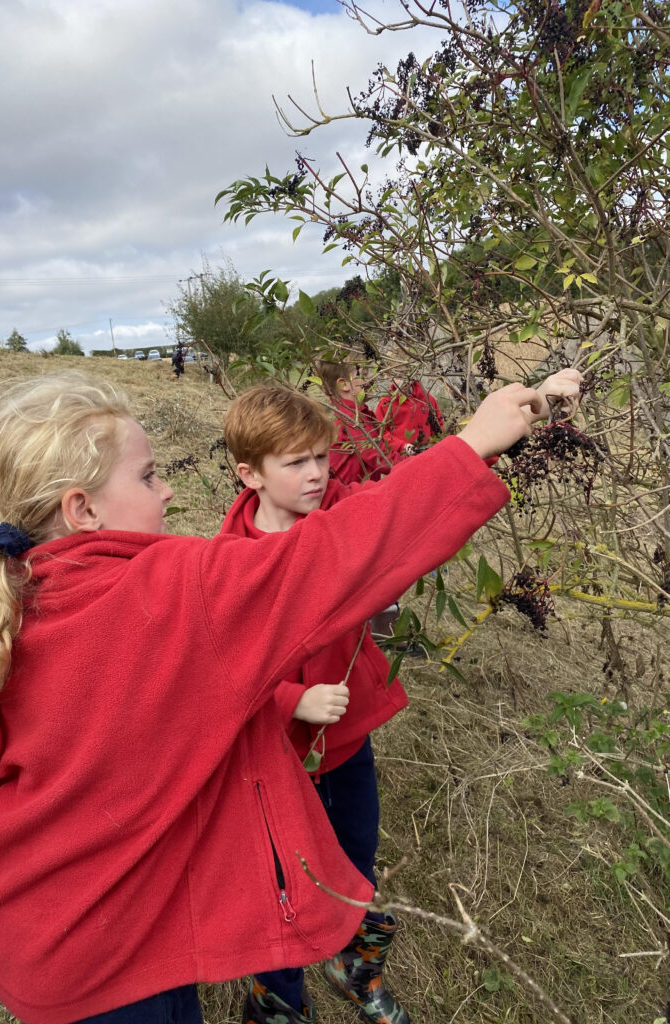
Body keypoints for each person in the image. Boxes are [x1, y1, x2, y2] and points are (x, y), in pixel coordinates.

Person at [0, 370, 565, 1024]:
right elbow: (339, 551)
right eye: (148, 475)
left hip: (26, 951)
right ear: (84, 508)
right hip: (123, 970)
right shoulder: (180, 592)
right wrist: (471, 444)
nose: (166, 492)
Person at [220, 368, 583, 1024]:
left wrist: (538, 398)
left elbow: (414, 493)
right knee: (281, 884)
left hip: (346, 744)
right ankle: (275, 1000)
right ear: (250, 475)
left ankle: (356, 967)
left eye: (322, 457)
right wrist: (289, 702)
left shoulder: (339, 514)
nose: (316, 473)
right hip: (274, 763)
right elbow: (217, 671)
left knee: (357, 862)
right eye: (295, 462)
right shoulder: (228, 565)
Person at [317, 359, 400, 485]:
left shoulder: (350, 414)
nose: (372, 377)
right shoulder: (352, 419)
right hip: (351, 499)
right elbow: (381, 458)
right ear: (344, 384)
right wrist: (417, 462)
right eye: (364, 373)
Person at [375, 377, 445, 453]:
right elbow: (381, 433)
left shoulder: (426, 398)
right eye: (398, 378)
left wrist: (435, 444)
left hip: (428, 452)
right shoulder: (386, 404)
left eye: (406, 376)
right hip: (402, 457)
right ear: (390, 377)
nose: (403, 381)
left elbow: (438, 423)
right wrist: (402, 446)